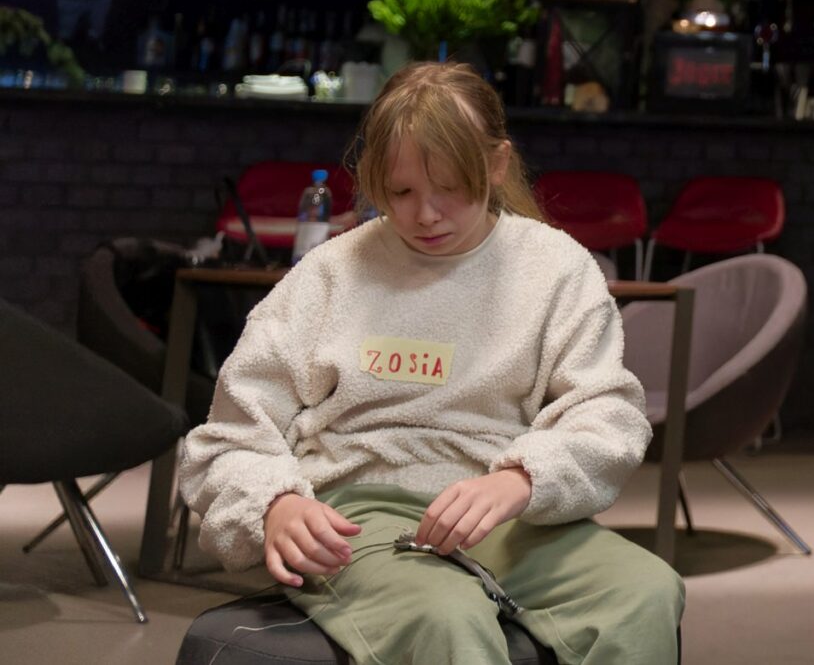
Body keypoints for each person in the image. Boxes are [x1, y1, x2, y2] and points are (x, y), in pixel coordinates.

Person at [178, 62, 683, 665]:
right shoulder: (329, 274)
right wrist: (273, 504)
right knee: (445, 617)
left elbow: (607, 415)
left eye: (450, 188)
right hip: (355, 517)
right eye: (401, 193)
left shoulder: (556, 269)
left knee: (646, 592)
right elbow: (228, 437)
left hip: (499, 512)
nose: (425, 214)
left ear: (495, 165)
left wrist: (521, 480)